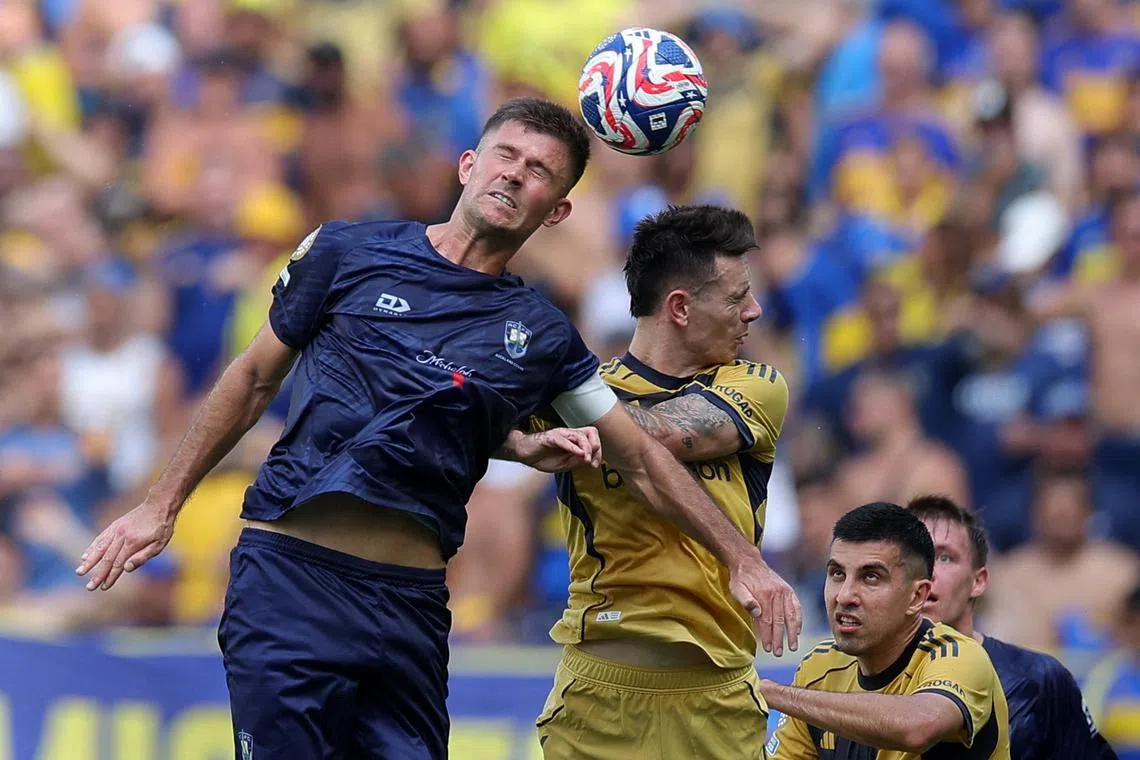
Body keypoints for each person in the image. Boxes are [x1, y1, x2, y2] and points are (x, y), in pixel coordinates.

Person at [74, 97, 798, 759]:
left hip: (409, 605)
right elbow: (253, 378)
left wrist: (744, 559)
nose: (515, 175)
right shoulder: (345, 252)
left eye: (540, 172)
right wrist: (160, 505)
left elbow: (636, 455)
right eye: (507, 155)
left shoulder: (542, 335)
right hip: (291, 583)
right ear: (468, 164)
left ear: (556, 212)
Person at [534, 205, 800, 758]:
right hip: (598, 699)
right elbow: (483, 424)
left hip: (716, 699)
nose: (753, 311)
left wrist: (559, 397)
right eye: (735, 298)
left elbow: (659, 435)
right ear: (679, 307)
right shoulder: (586, 390)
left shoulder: (757, 385)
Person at [765, 501, 1010, 759]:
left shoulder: (959, 655)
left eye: (871, 577)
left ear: (917, 596)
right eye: (837, 573)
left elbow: (919, 727)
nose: (844, 596)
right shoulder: (818, 668)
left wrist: (778, 695)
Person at [906, 494, 1117, 759]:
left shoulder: (1038, 681)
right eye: (913, 554)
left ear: (978, 581)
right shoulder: (856, 677)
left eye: (945, 557)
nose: (927, 571)